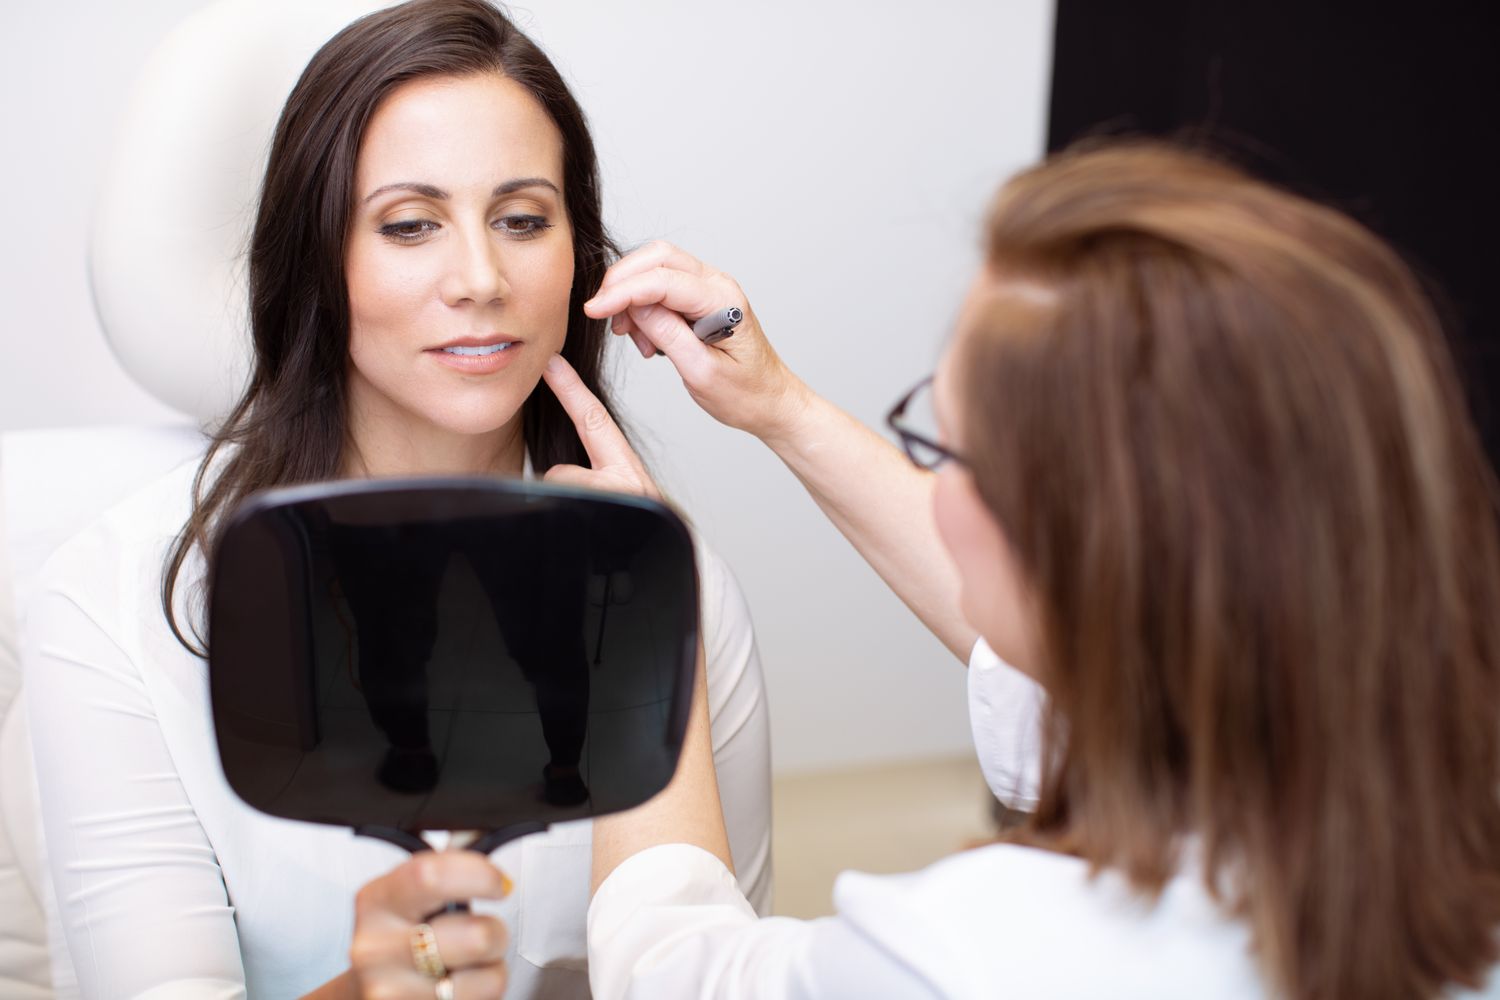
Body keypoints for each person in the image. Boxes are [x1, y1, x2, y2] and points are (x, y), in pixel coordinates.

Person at [558, 143, 1500, 998]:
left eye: (949, 453)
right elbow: (1077, 691)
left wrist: (648, 624)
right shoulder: (1432, 818)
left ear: (1095, 550)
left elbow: (679, 978)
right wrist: (781, 406)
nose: (934, 490)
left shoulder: (985, 955)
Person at [21, 2, 771, 997]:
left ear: (582, 261)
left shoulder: (669, 584)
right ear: (314, 262)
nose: (480, 277)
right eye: (410, 224)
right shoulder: (113, 604)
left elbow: (723, 968)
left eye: (523, 219)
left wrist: (646, 617)